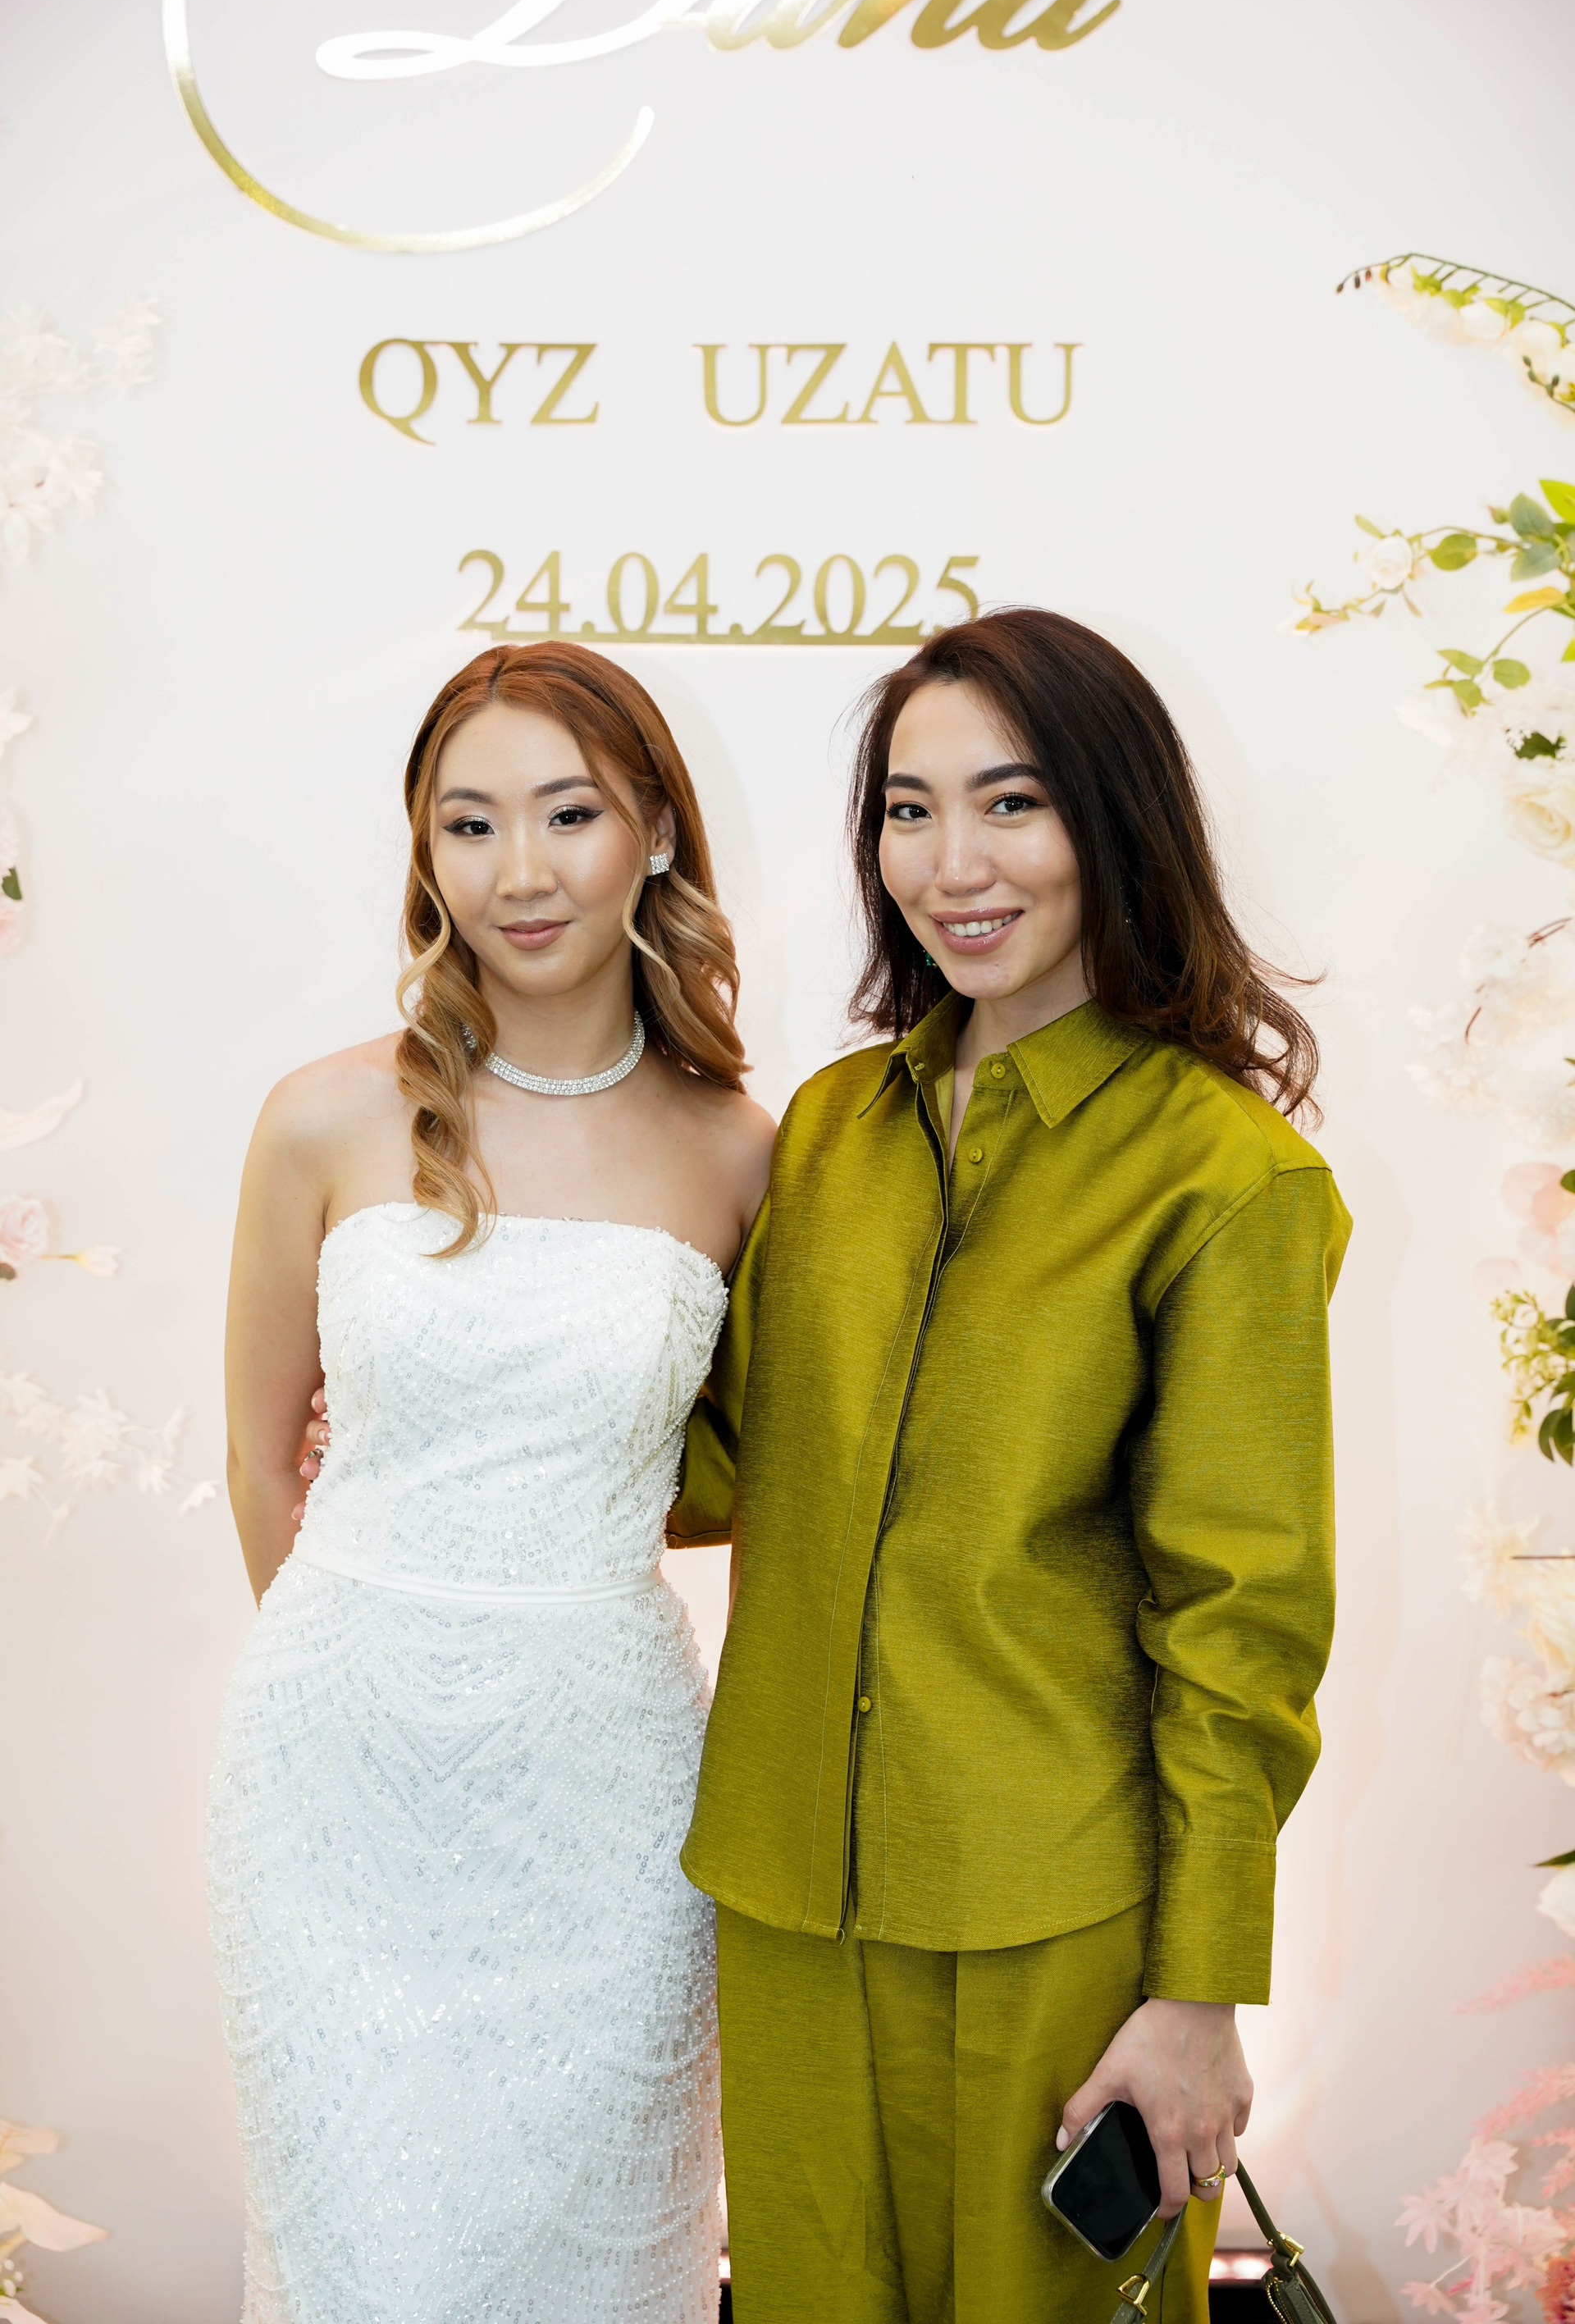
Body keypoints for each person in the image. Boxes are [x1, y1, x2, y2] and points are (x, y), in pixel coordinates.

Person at [669, 609, 1351, 2323]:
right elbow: (726, 1461)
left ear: (1112, 819)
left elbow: (1243, 1621)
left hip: (1057, 1915)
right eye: (910, 811)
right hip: (785, 1895)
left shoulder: (1224, 1178)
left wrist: (1199, 1995)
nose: (953, 864)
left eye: (1011, 803)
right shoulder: (829, 1130)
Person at [211, 641, 774, 2324]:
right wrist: (380, 1669)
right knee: (363, 2260)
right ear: (426, 855)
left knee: (593, 2256)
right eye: (470, 825)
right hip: (337, 1792)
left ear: (654, 831)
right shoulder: (321, 1120)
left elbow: (760, 1479)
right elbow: (259, 1457)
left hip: (612, 1802)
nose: (519, 871)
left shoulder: (743, 1152)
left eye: (568, 814)